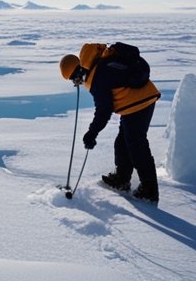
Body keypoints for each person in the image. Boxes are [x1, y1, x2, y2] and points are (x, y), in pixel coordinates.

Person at [59, 43, 161, 203]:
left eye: (74, 78)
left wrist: (92, 133)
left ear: (78, 70)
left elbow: (104, 110)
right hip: (135, 102)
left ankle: (150, 190)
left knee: (136, 144)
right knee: (122, 142)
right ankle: (122, 179)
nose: (76, 82)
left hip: (140, 103)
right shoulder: (97, 66)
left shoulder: (97, 76)